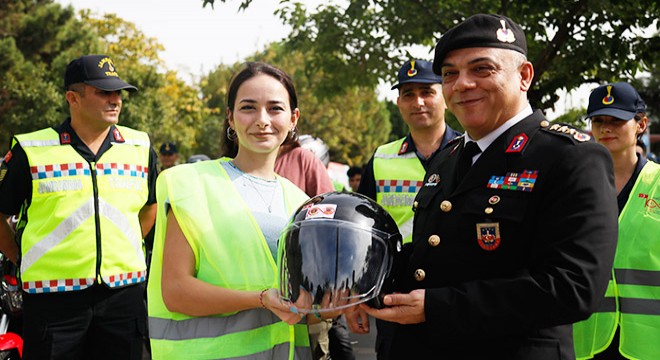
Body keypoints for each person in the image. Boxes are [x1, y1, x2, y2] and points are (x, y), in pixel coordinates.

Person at [346, 14, 619, 360]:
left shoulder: (571, 157)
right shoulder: (450, 156)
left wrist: (438, 306)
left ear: (524, 76)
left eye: (481, 69)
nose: (462, 84)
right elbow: (435, 253)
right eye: (450, 74)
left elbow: (574, 287)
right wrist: (364, 288)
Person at [147, 62, 312, 359]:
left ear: (293, 118)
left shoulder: (301, 203)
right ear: (230, 118)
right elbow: (175, 290)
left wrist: (330, 306)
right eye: (248, 107)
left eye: (275, 108)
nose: (262, 120)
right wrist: (260, 299)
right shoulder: (190, 183)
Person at [0, 54, 158, 359]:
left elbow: (149, 207)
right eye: (103, 92)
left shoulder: (140, 147)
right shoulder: (31, 151)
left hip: (124, 296)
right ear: (73, 98)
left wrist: (124, 245)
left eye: (118, 93)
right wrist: (20, 256)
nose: (115, 100)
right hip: (52, 300)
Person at [356, 59, 461, 360]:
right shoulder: (382, 158)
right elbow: (364, 236)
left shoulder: (469, 152)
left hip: (452, 297)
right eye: (408, 94)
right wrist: (356, 298)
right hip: (396, 298)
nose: (418, 102)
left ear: (444, 96)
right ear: (399, 102)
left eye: (427, 92)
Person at [573, 82, 660, 360]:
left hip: (649, 338)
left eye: (617, 120)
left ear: (641, 124)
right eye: (598, 121)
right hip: (588, 336)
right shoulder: (573, 185)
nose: (606, 128)